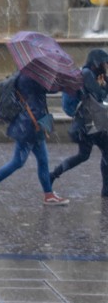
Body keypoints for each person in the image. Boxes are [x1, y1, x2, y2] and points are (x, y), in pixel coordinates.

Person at [0, 72, 70, 206]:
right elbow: (50, 89)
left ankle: (49, 195)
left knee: (43, 160)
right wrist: (63, 82)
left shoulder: (27, 74)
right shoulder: (30, 76)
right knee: (18, 161)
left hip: (34, 123)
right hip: (28, 126)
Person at [51, 50, 108, 196]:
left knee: (83, 155)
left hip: (85, 125)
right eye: (103, 63)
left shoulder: (85, 73)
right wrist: (105, 83)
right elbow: (100, 96)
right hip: (90, 125)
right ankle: (106, 190)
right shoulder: (87, 74)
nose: (105, 65)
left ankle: (53, 174)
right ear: (96, 62)